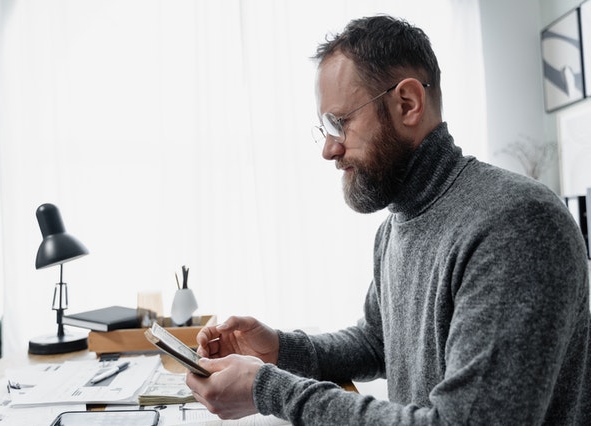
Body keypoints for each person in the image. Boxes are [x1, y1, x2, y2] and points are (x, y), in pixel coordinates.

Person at [186, 14, 591, 425]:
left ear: (407, 104)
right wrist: (279, 349)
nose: (329, 149)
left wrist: (269, 388)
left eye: (339, 123)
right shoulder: (395, 226)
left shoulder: (516, 224)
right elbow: (379, 341)